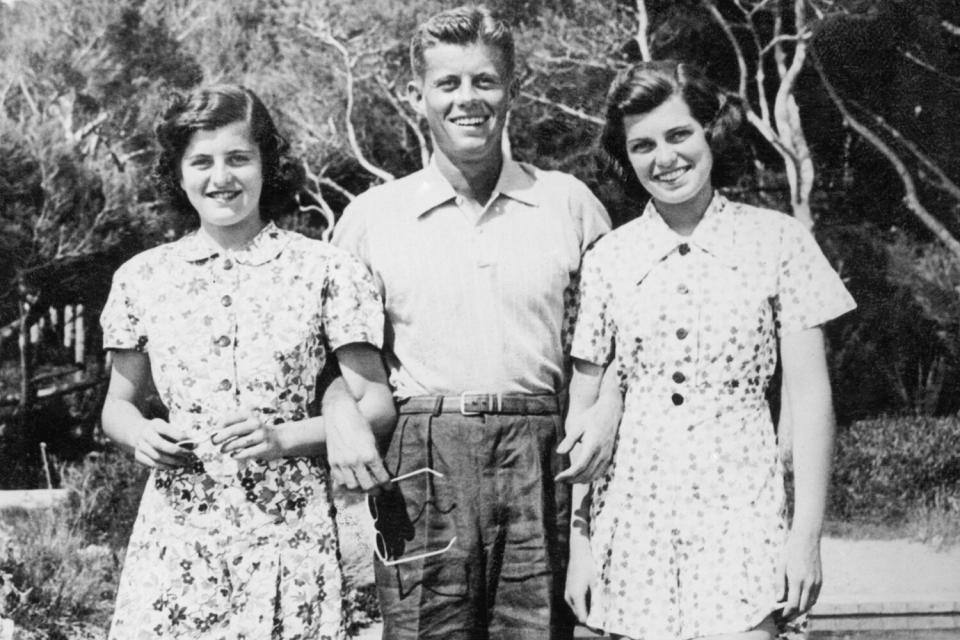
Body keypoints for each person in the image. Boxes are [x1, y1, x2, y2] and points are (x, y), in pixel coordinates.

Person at [329, 6, 619, 638]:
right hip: (422, 453)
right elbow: (325, 354)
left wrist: (607, 408)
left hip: (542, 452)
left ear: (512, 89)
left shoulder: (568, 203)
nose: (468, 99)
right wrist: (338, 413)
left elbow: (623, 336)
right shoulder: (372, 217)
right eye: (449, 83)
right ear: (418, 95)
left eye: (485, 81)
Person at [563, 61, 856, 640]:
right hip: (632, 523)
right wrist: (581, 547)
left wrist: (806, 536)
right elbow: (583, 417)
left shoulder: (777, 241)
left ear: (710, 133)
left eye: (679, 135)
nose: (664, 158)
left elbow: (813, 400)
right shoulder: (608, 259)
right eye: (642, 145)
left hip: (743, 520)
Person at [99, 84, 395, 639]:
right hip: (177, 538)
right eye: (201, 162)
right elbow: (117, 405)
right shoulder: (141, 278)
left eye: (238, 158)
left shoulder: (326, 270)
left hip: (291, 538)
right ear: (178, 172)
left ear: (267, 165)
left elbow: (374, 404)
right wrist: (140, 434)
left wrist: (284, 438)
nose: (221, 178)